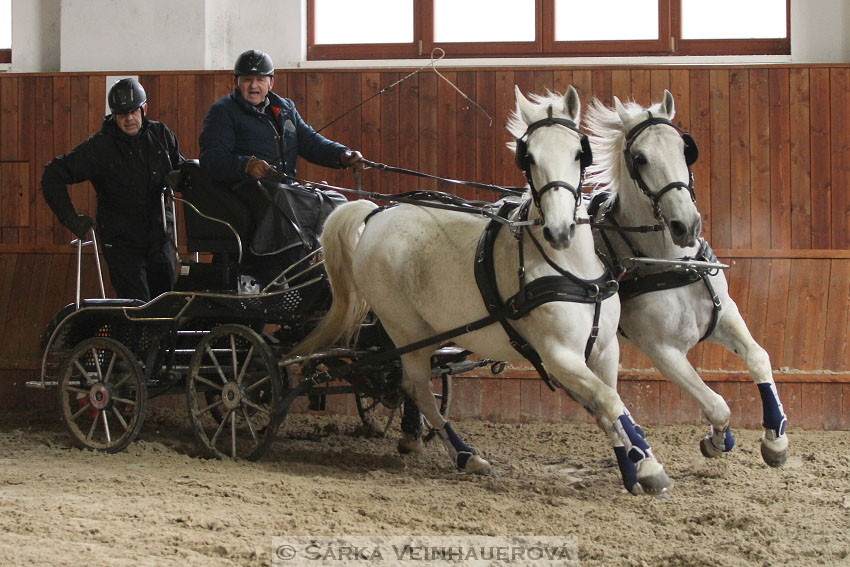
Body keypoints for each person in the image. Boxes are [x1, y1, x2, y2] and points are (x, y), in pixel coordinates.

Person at [198, 49, 363, 285]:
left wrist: (342, 154)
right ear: (236, 82)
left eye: (260, 79)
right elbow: (211, 160)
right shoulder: (222, 112)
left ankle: (328, 265)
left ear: (271, 82)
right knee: (287, 198)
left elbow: (310, 142)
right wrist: (246, 165)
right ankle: (299, 275)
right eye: (247, 79)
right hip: (244, 194)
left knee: (333, 200)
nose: (253, 85)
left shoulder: (285, 108)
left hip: (282, 191)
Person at [42, 78, 185, 302]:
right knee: (137, 307)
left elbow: (183, 169)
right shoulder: (99, 147)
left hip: (159, 238)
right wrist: (69, 218)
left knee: (167, 306)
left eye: (133, 112)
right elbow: (52, 174)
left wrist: (181, 178)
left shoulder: (161, 136)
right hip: (122, 244)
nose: (128, 119)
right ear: (113, 115)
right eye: (121, 114)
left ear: (144, 109)